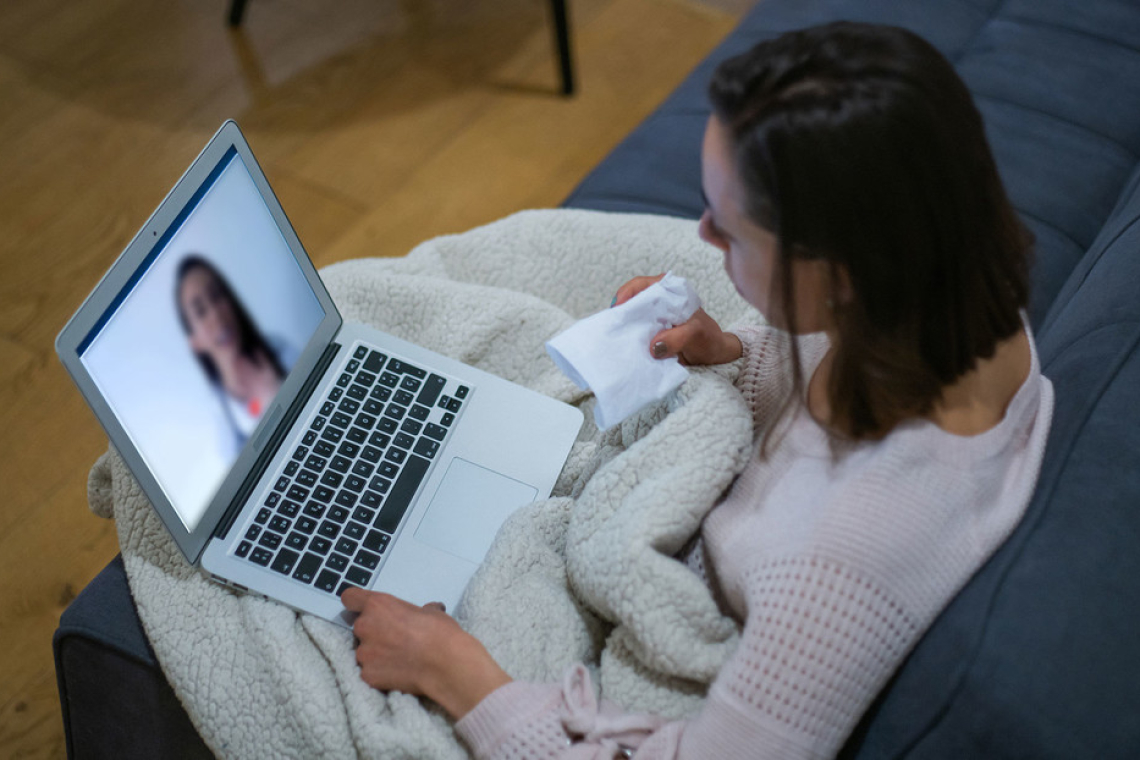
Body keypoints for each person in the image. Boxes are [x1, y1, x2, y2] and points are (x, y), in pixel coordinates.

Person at [341, 21, 1053, 758]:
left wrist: (457, 673)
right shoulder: (967, 307)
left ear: (836, 277)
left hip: (621, 621)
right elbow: (821, 388)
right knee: (386, 305)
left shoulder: (839, 570)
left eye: (731, 230)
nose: (704, 234)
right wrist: (732, 352)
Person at [176, 255, 294, 457]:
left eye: (216, 296)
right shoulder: (221, 430)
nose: (216, 314)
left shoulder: (280, 349)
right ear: (195, 342)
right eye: (200, 311)